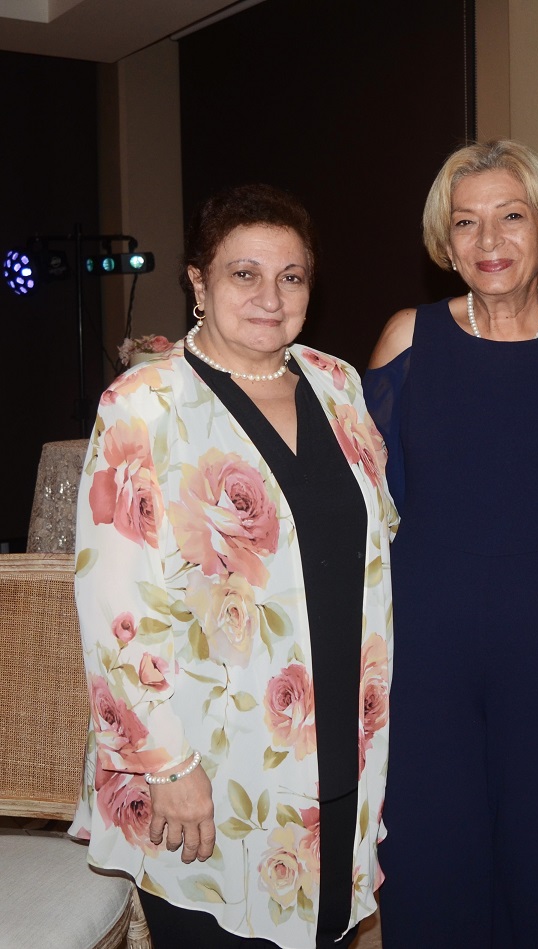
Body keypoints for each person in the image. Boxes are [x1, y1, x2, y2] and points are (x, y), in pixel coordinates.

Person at [71, 183, 397, 949]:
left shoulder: (337, 384)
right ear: (198, 282)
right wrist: (164, 762)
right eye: (243, 273)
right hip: (207, 762)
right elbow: (114, 601)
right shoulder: (144, 403)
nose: (270, 296)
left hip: (336, 737)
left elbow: (372, 545)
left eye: (291, 276)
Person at [364, 140, 538, 948]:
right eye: (466, 224)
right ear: (445, 246)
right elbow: (358, 502)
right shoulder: (407, 338)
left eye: (511, 217)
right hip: (425, 651)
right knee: (428, 862)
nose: (488, 241)